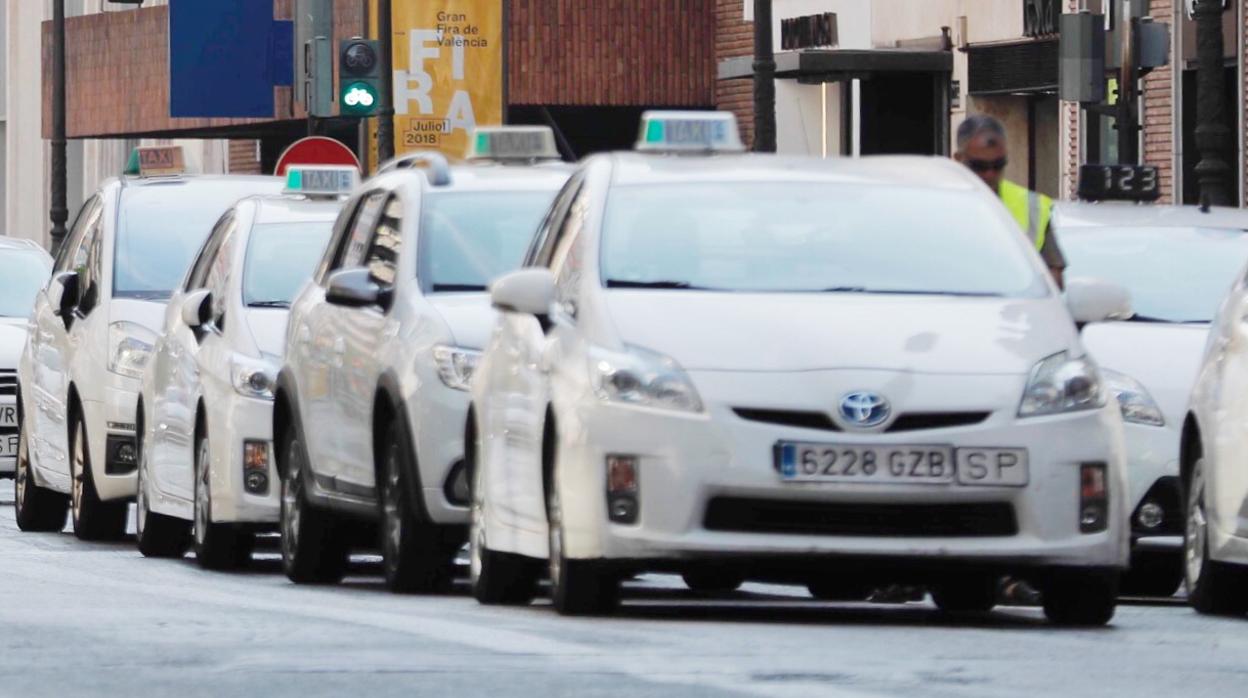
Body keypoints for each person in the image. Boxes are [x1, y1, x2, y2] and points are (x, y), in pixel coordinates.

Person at [955, 114, 1066, 288]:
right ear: (959, 159)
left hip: (1014, 310)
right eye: (980, 166)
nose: (990, 174)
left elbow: (1054, 279)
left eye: (998, 165)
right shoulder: (938, 206)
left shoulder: (1033, 206)